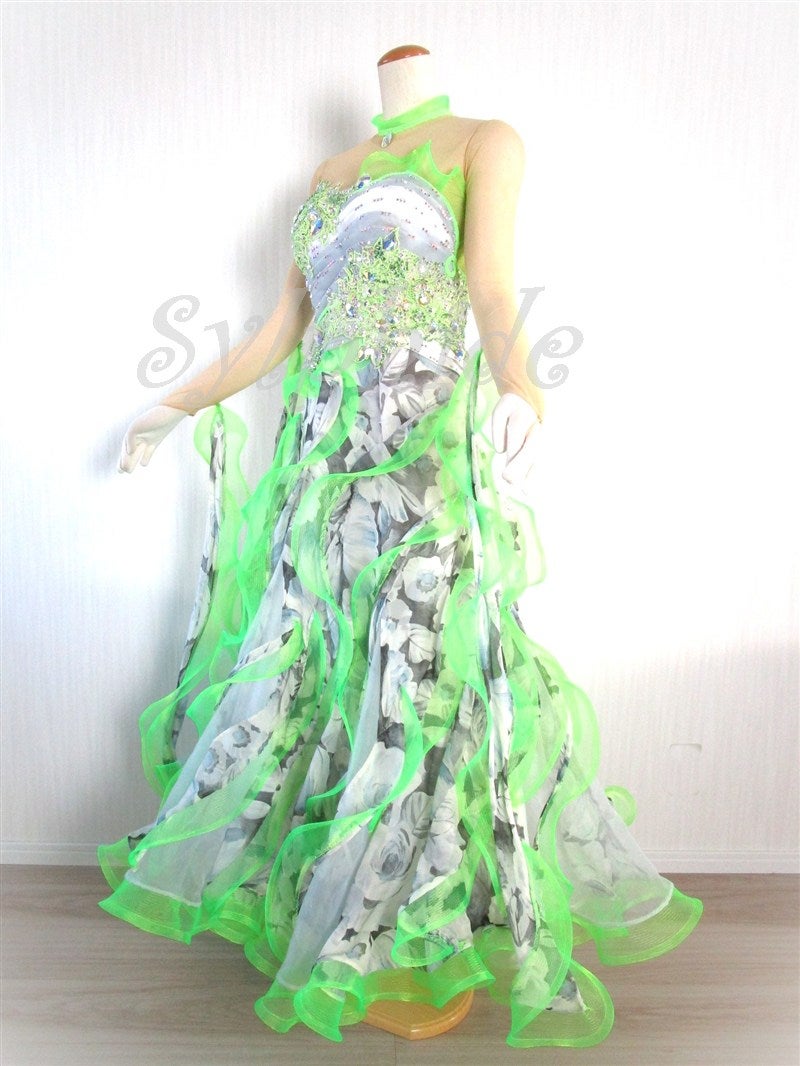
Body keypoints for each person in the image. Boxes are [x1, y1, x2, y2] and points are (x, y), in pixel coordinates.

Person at [98, 44, 703, 1049]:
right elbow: (278, 333)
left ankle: (413, 923)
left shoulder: (483, 142)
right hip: (321, 473)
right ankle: (346, 919)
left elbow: (492, 293)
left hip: (420, 460)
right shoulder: (330, 174)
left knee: (417, 687)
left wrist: (523, 388)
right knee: (324, 672)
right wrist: (171, 407)